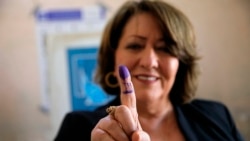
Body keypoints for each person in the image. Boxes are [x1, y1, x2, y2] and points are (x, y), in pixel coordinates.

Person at [54, 0, 244, 141]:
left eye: (164, 48)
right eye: (135, 45)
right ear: (113, 58)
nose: (149, 61)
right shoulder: (78, 128)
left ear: (181, 62)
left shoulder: (217, 116)